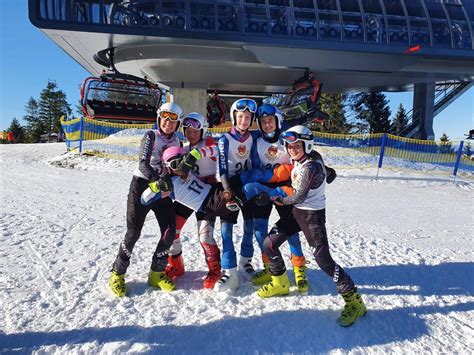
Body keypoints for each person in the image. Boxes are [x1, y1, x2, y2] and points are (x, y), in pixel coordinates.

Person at [255, 125, 366, 327]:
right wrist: (329, 173)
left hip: (311, 217)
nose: (292, 150)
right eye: (289, 146)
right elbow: (327, 172)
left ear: (307, 144)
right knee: (269, 244)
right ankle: (280, 283)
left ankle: (354, 301)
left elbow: (297, 196)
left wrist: (271, 197)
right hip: (296, 213)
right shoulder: (307, 158)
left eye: (296, 145)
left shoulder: (310, 166)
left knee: (323, 261)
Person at [108, 102, 183, 297]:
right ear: (159, 118)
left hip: (161, 189)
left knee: (169, 231)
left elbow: (175, 169)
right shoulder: (151, 136)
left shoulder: (178, 143)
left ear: (178, 123)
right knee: (133, 232)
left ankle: (156, 274)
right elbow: (143, 164)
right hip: (142, 185)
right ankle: (117, 273)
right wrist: (158, 181)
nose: (168, 121)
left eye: (173, 118)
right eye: (165, 116)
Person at [250, 104, 309, 293]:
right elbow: (255, 167)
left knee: (290, 231)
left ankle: (299, 269)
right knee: (259, 231)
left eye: (270, 121)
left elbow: (304, 155)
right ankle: (270, 268)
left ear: (278, 121)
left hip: (285, 189)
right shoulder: (256, 142)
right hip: (264, 189)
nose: (267, 125)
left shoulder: (287, 139)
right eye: (263, 122)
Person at [165, 112, 223, 289]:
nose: (191, 134)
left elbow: (220, 149)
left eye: (195, 131)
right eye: (187, 130)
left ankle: (215, 270)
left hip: (207, 194)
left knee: (205, 235)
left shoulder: (209, 142)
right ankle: (176, 264)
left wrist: (197, 154)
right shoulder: (183, 148)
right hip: (188, 193)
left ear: (203, 130)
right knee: (171, 229)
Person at [215, 98, 260, 291]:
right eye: (240, 116)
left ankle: (245, 262)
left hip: (248, 184)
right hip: (230, 186)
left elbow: (277, 130)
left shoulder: (255, 136)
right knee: (226, 230)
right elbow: (223, 168)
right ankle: (229, 270)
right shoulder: (225, 139)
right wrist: (227, 190)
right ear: (234, 117)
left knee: (249, 225)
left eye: (248, 117)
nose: (244, 120)